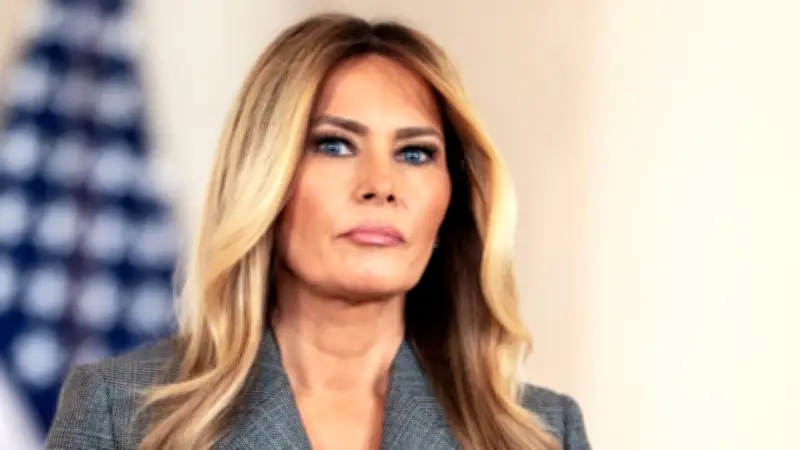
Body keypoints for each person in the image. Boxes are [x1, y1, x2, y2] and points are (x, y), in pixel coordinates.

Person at [45, 13, 591, 450]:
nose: (381, 185)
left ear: (451, 202)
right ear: (265, 178)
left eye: (415, 153)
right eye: (334, 145)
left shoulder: (542, 432)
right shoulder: (119, 412)